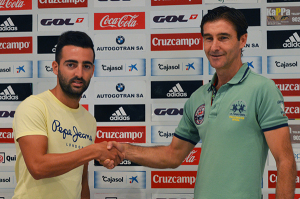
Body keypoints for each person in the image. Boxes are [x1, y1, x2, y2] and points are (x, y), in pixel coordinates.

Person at [107, 6, 296, 198]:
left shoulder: (262, 89)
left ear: (242, 40)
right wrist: (126, 150)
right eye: (208, 38)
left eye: (223, 37)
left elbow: (285, 161)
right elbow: (172, 155)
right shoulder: (198, 97)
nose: (214, 47)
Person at [12, 31, 123, 199]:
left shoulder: (89, 120)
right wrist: (93, 151)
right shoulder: (34, 106)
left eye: (86, 66)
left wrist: (94, 152)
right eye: (71, 64)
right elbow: (38, 167)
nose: (79, 73)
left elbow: (82, 180)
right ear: (55, 67)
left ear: (92, 70)